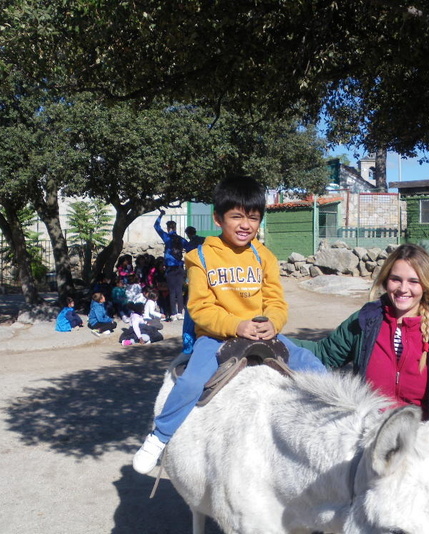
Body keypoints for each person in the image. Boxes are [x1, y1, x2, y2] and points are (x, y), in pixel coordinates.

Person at [133, 175, 325, 474]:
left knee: (309, 362)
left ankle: (338, 422)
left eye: (253, 218)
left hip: (262, 331)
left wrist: (273, 322)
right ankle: (159, 437)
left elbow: (276, 301)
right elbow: (199, 308)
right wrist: (236, 326)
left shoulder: (265, 257)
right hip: (216, 336)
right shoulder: (200, 258)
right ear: (218, 218)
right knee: (193, 381)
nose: (245, 225)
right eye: (236, 216)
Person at [283, 243, 429, 492]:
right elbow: (324, 354)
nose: (403, 289)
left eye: (413, 281)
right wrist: (279, 342)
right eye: (396, 279)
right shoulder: (366, 321)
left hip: (421, 451)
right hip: (369, 449)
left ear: (427, 284)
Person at [154, 213, 189, 321]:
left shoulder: (167, 238)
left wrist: (160, 215)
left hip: (170, 268)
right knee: (179, 290)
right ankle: (180, 312)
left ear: (168, 228)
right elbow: (189, 247)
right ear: (175, 227)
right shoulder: (181, 239)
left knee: (172, 291)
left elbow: (156, 226)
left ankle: (173, 313)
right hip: (179, 267)